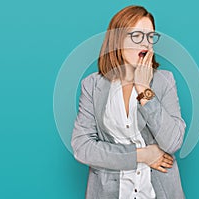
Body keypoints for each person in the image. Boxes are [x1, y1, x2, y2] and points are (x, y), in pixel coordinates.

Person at [71, 5, 187, 199]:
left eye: (150, 37)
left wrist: (144, 90)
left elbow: (173, 141)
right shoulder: (92, 85)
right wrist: (141, 155)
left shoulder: (164, 81)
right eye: (137, 36)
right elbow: (83, 147)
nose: (146, 43)